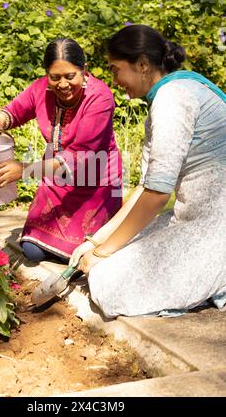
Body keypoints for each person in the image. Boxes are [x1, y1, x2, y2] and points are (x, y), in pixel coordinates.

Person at [69, 24, 226, 317]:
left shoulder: (172, 98)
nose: (114, 80)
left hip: (216, 226)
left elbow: (156, 195)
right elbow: (145, 186)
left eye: (115, 70)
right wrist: (97, 240)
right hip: (194, 216)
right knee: (110, 255)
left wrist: (102, 253)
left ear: (142, 64)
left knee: (107, 281)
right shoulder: (173, 92)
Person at [0, 38, 122, 263]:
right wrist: (1, 119)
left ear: (84, 71)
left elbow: (80, 156)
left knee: (87, 256)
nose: (62, 84)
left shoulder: (100, 98)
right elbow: (18, 109)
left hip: (96, 185)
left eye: (70, 76)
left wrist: (24, 170)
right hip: (56, 181)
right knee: (32, 250)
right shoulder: (41, 89)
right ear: (47, 75)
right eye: (55, 77)